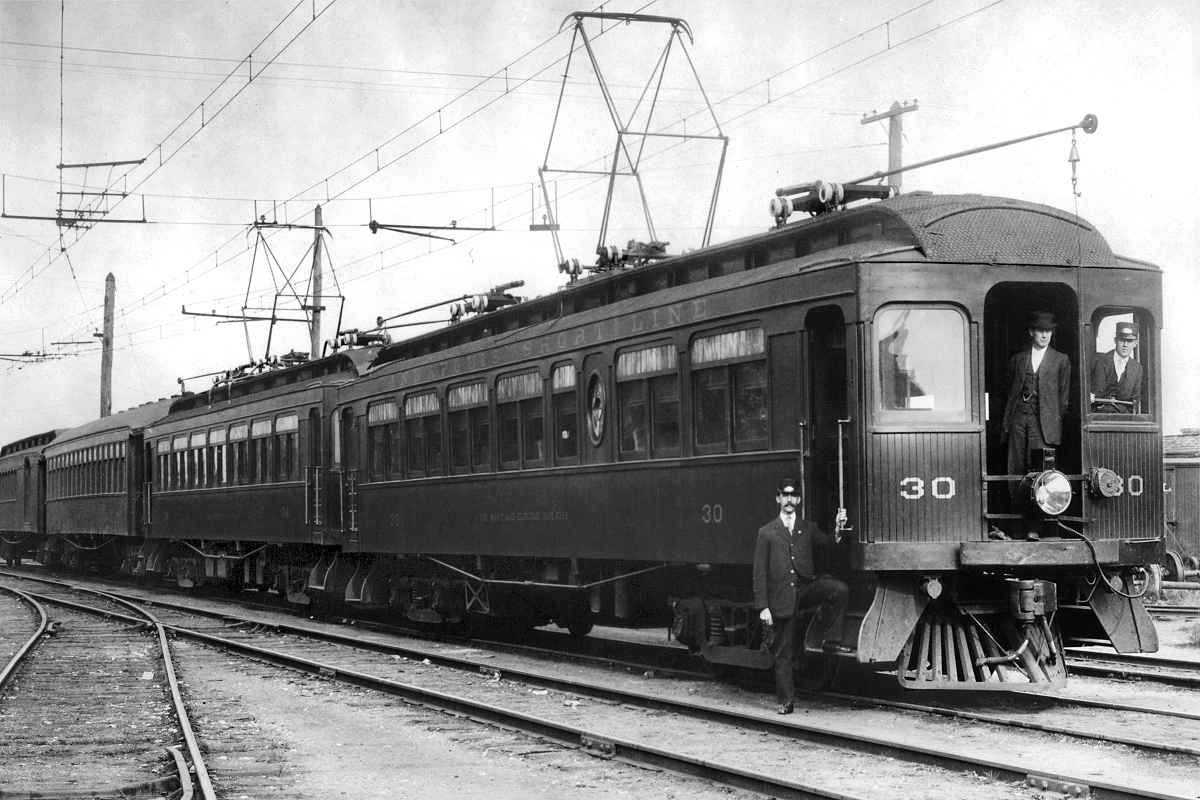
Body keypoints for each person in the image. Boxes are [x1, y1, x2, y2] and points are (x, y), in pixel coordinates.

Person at [752, 477, 850, 714]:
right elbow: (759, 573)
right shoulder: (766, 532)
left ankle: (829, 639)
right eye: (784, 495)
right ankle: (786, 701)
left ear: (798, 500)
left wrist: (838, 529)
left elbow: (828, 544)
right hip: (781, 598)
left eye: (792, 496)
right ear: (778, 499)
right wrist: (763, 607)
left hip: (805, 590)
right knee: (783, 652)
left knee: (838, 589)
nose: (788, 500)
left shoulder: (808, 528)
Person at [1000, 311, 1071, 540]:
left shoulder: (1061, 360)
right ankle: (1016, 527)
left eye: (1048, 331)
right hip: (1018, 420)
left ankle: (1035, 528)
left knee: (1042, 475)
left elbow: (1063, 399)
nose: (1044, 335)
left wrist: (1051, 421)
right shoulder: (1018, 359)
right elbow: (1009, 391)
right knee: (1015, 471)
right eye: (1040, 330)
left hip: (1044, 425)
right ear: (1032, 332)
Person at [1090, 322, 1142, 413]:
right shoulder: (1098, 361)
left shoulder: (1137, 368)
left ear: (1135, 344)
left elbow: (1135, 400)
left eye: (1129, 341)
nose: (1125, 345)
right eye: (1122, 340)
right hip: (1097, 416)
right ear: (1115, 340)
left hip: (1123, 418)